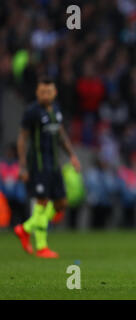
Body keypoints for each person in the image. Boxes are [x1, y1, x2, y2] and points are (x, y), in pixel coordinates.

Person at [14, 76, 81, 258]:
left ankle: (25, 228)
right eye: (42, 91)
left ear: (55, 92)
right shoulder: (32, 112)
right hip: (38, 164)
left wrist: (72, 156)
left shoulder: (56, 110)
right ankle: (42, 247)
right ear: (37, 92)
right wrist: (22, 166)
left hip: (54, 164)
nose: (45, 95)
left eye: (49, 91)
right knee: (42, 203)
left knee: (61, 203)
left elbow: (61, 135)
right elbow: (22, 138)